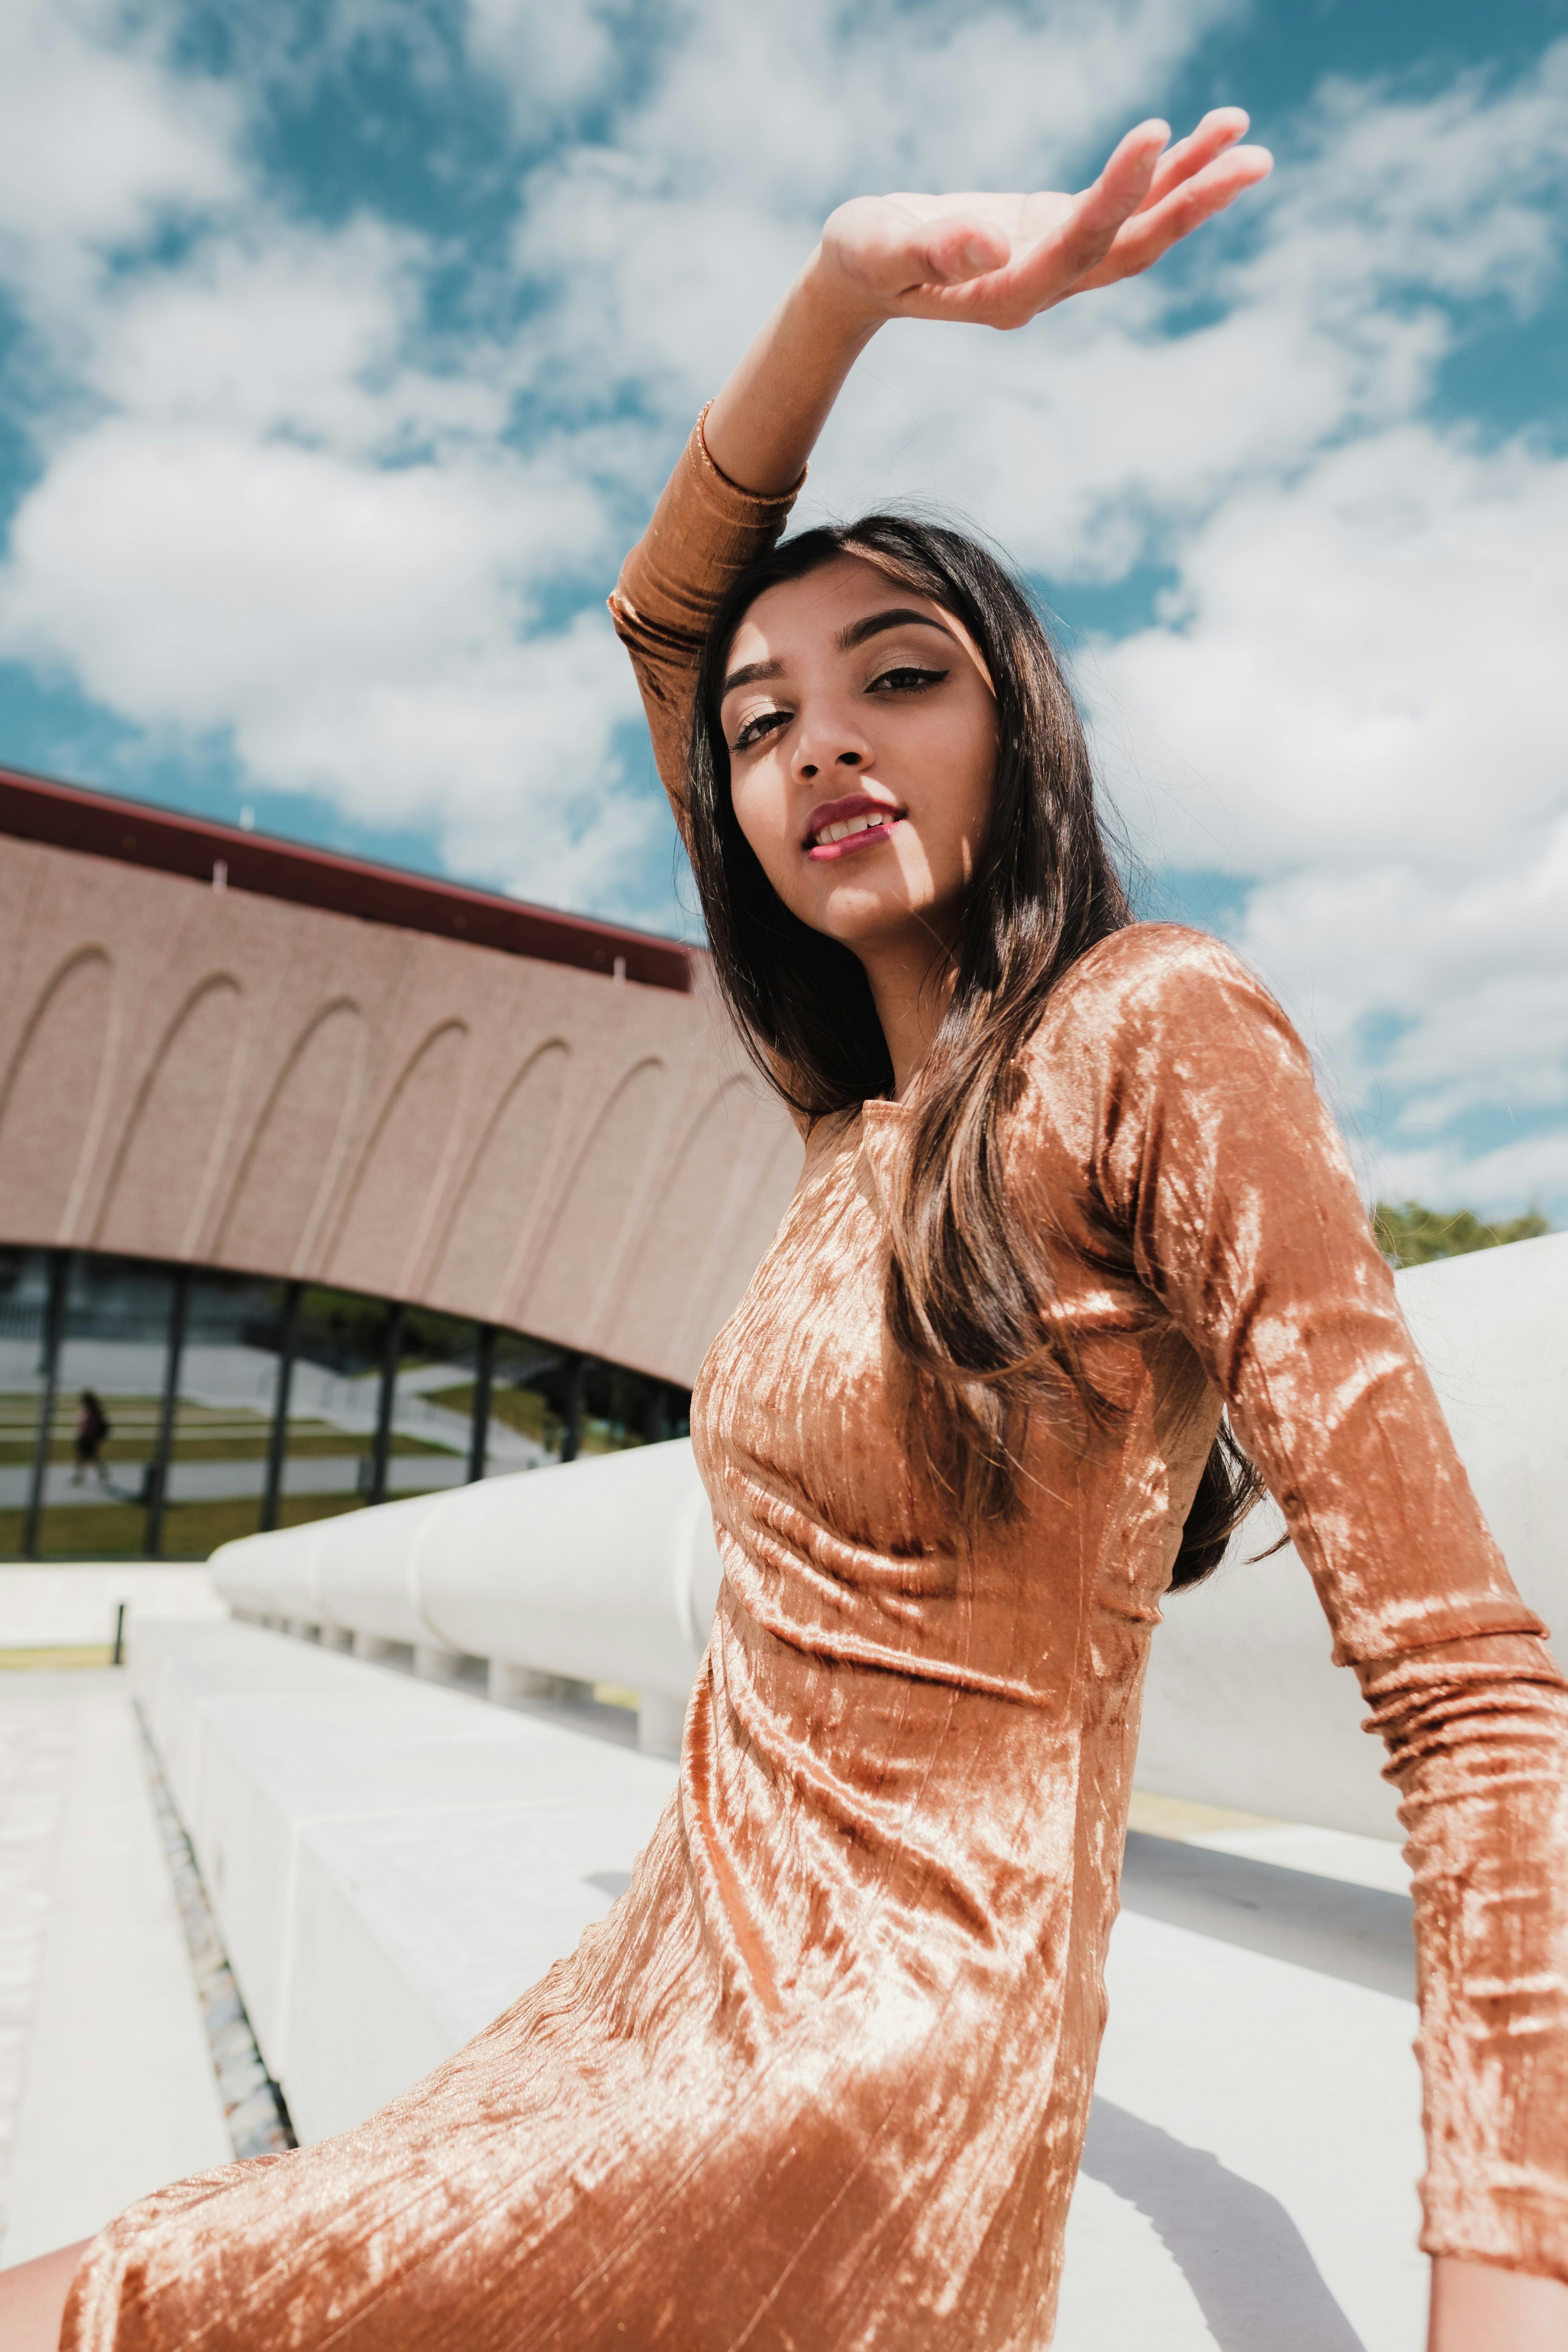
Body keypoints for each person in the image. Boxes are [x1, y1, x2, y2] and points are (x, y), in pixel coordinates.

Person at [3, 110, 1565, 2352]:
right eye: (767, 726)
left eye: (899, 674)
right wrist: (852, 272)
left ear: (1018, 709)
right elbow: (667, 612)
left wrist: (1494, 2305)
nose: (823, 741)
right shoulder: (853, 1128)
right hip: (641, 2006)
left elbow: (1472, 1686)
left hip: (859, 2080)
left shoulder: (1155, 1031)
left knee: (112, 2296)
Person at [69, 1390, 111, 1490]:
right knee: (87, 1457)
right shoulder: (88, 1410)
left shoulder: (93, 1411)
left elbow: (91, 1426)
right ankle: (84, 1476)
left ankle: (80, 1477)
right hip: (84, 1437)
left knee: (86, 1457)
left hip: (88, 1438)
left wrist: (90, 1437)